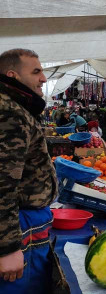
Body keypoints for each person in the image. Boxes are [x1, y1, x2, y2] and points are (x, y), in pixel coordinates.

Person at [0, 49, 57, 292]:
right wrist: (9, 248)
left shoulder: (15, 106)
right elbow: (2, 185)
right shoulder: (10, 112)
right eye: (36, 72)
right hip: (21, 225)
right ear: (12, 75)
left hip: (24, 221)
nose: (43, 78)